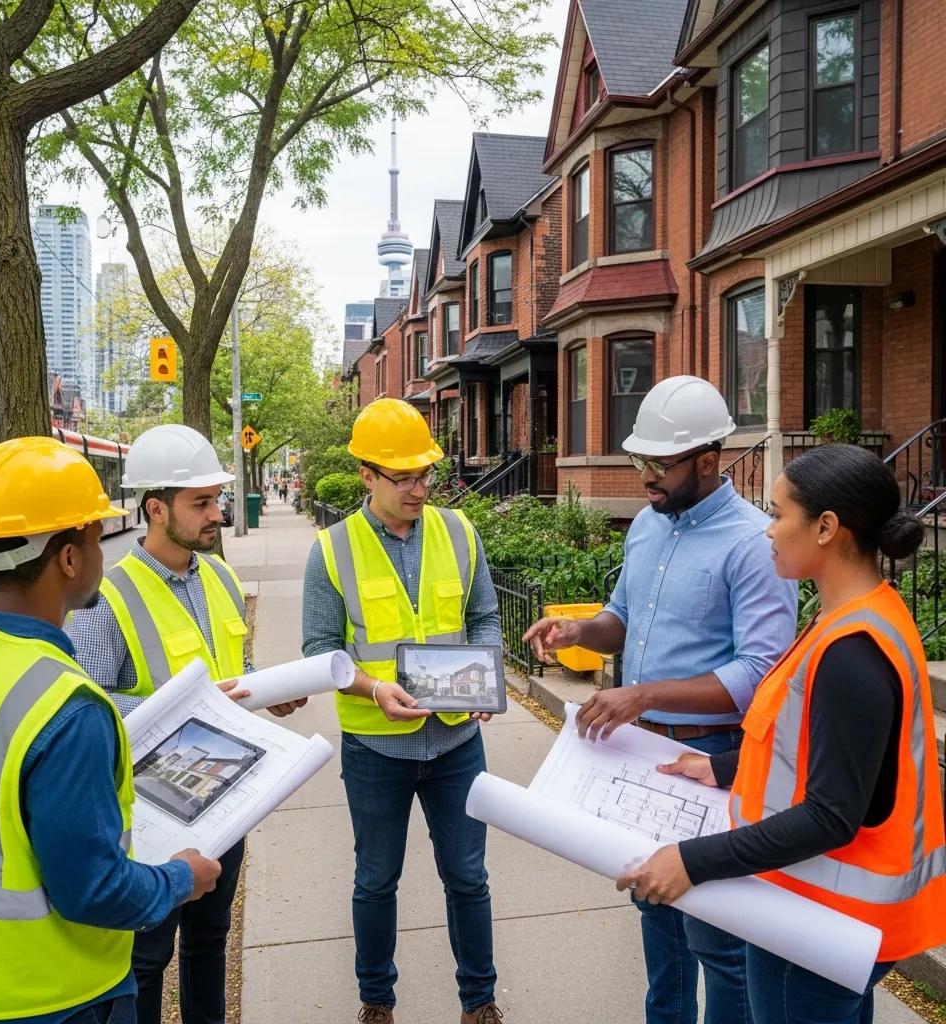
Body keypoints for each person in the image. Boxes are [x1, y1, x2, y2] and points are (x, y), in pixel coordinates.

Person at [619, 443, 946, 1024]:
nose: (766, 530)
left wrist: (692, 861)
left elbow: (832, 814)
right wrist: (719, 767)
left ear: (825, 528)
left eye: (777, 513)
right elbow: (823, 755)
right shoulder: (861, 616)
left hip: (816, 919)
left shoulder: (851, 651)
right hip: (829, 918)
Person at [524, 375, 798, 1024]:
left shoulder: (754, 543)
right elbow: (624, 615)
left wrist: (639, 692)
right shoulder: (648, 524)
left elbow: (761, 674)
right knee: (657, 920)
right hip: (645, 752)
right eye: (638, 458)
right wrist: (580, 630)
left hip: (716, 760)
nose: (644, 475)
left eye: (659, 463)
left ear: (708, 460)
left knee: (718, 945)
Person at [0, 437, 221, 1024]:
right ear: (68, 558)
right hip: (54, 997)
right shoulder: (69, 707)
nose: (101, 553)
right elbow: (95, 890)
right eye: (93, 537)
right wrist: (181, 878)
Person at [67, 424, 303, 1024]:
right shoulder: (109, 594)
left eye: (216, 500)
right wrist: (185, 706)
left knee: (208, 941)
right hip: (152, 810)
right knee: (147, 958)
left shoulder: (219, 576)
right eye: (201, 503)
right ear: (156, 509)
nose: (215, 515)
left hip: (224, 799)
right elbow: (89, 706)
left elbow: (237, 667)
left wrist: (264, 690)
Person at [301, 398, 505, 1024]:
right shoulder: (332, 551)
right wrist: (372, 690)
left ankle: (480, 1002)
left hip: (454, 744)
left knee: (468, 879)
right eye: (405, 477)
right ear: (367, 475)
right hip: (375, 749)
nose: (421, 488)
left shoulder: (459, 532)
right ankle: (376, 1001)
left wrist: (487, 677)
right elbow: (320, 651)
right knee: (375, 882)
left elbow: (485, 617)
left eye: (426, 475)